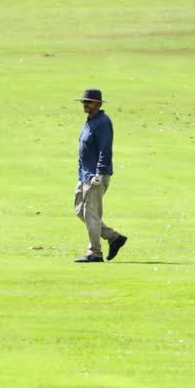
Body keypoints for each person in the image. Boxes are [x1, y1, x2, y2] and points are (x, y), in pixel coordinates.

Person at [73, 88, 127, 263]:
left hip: (95, 176)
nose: (85, 105)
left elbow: (105, 149)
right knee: (80, 211)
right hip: (84, 174)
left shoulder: (103, 122)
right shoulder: (90, 121)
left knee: (91, 214)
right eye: (84, 102)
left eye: (88, 102)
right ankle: (113, 237)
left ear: (98, 104)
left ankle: (95, 253)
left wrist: (99, 172)